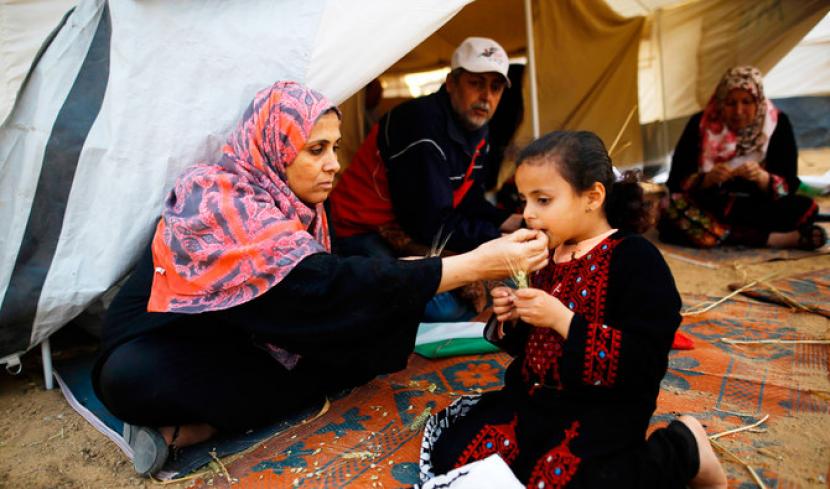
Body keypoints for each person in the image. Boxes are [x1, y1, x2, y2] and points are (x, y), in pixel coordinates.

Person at [92, 81, 550, 477]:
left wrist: (421, 275)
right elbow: (314, 285)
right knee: (130, 378)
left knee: (368, 343)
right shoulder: (216, 198)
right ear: (275, 146)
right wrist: (471, 265)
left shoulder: (301, 208)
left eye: (334, 147)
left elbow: (322, 284)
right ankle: (197, 425)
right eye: (316, 150)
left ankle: (196, 428)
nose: (334, 163)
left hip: (248, 333)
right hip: (165, 341)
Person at [420, 131, 727, 488]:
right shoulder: (544, 256)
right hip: (531, 403)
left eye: (543, 200)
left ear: (593, 197)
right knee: (457, 457)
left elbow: (644, 360)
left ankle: (683, 446)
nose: (528, 214)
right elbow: (532, 349)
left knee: (570, 481)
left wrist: (563, 321)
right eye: (524, 200)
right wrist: (513, 319)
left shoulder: (635, 259)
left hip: (599, 410)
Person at [329, 37, 524, 259]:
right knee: (415, 289)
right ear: (451, 83)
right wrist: (497, 237)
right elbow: (429, 226)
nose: (486, 97)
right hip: (358, 229)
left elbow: (467, 198)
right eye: (476, 83)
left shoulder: (476, 126)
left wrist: (514, 222)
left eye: (495, 87)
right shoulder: (420, 126)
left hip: (407, 227)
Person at [659, 65, 824, 249]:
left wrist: (764, 179)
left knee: (805, 207)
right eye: (731, 103)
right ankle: (775, 239)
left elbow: (789, 183)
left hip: (756, 207)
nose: (738, 111)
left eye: (746, 102)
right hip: (711, 204)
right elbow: (675, 180)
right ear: (721, 102)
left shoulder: (777, 124)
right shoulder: (700, 124)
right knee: (669, 210)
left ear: (758, 101)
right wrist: (706, 180)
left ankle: (718, 235)